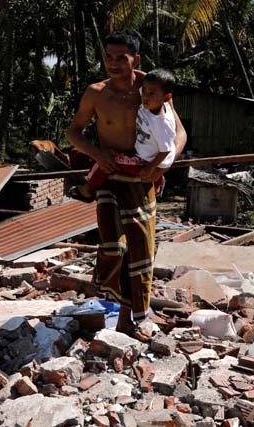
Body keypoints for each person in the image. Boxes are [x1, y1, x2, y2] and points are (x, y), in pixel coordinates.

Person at [66, 32, 187, 339]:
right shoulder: (96, 92)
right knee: (112, 245)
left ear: (136, 59)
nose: (114, 64)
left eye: (121, 58)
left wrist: (161, 166)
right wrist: (97, 154)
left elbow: (180, 134)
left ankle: (127, 318)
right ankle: (114, 301)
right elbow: (74, 133)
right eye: (109, 57)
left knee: (138, 249)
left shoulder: (151, 88)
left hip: (140, 179)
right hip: (108, 176)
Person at [68, 68, 177, 202]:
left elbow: (166, 150)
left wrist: (151, 168)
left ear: (166, 97)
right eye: (145, 91)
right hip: (147, 157)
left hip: (144, 162)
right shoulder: (151, 102)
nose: (146, 96)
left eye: (152, 93)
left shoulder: (162, 123)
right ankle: (159, 182)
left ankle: (87, 189)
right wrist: (134, 71)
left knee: (107, 162)